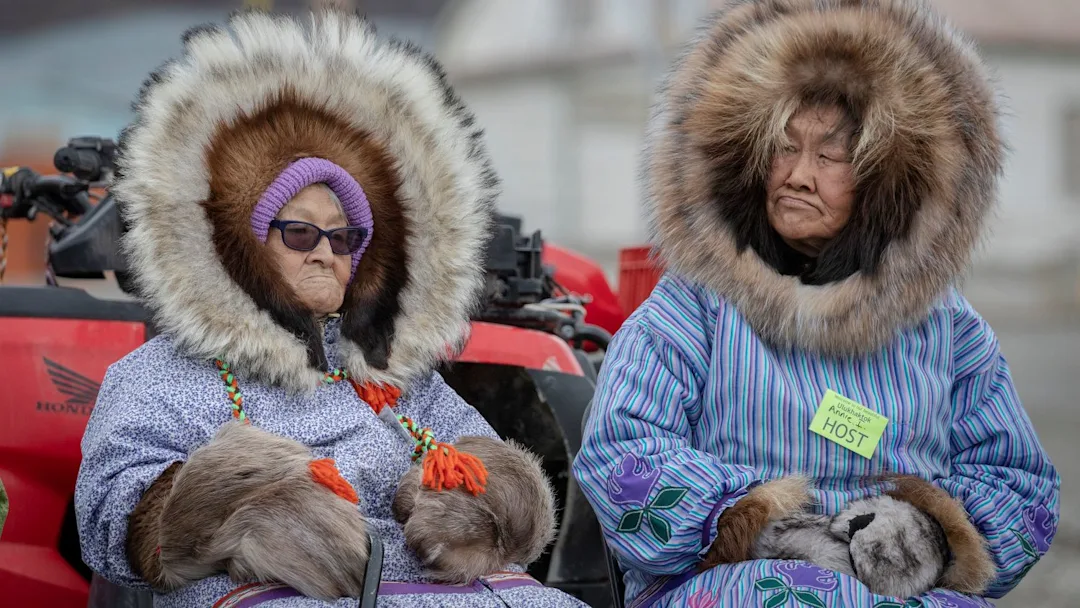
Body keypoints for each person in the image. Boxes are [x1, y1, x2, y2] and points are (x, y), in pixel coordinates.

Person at [74, 9, 587, 608]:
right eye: (299, 233)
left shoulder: (393, 376)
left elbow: (483, 469)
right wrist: (231, 503)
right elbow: (110, 524)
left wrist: (479, 503)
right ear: (240, 248)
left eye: (343, 238)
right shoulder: (158, 374)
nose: (325, 253)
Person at [572, 1, 1061, 607]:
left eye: (830, 157)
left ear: (888, 180)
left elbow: (1020, 484)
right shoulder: (695, 308)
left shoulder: (948, 330)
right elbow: (622, 450)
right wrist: (762, 528)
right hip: (733, 581)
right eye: (784, 147)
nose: (798, 175)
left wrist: (926, 536)